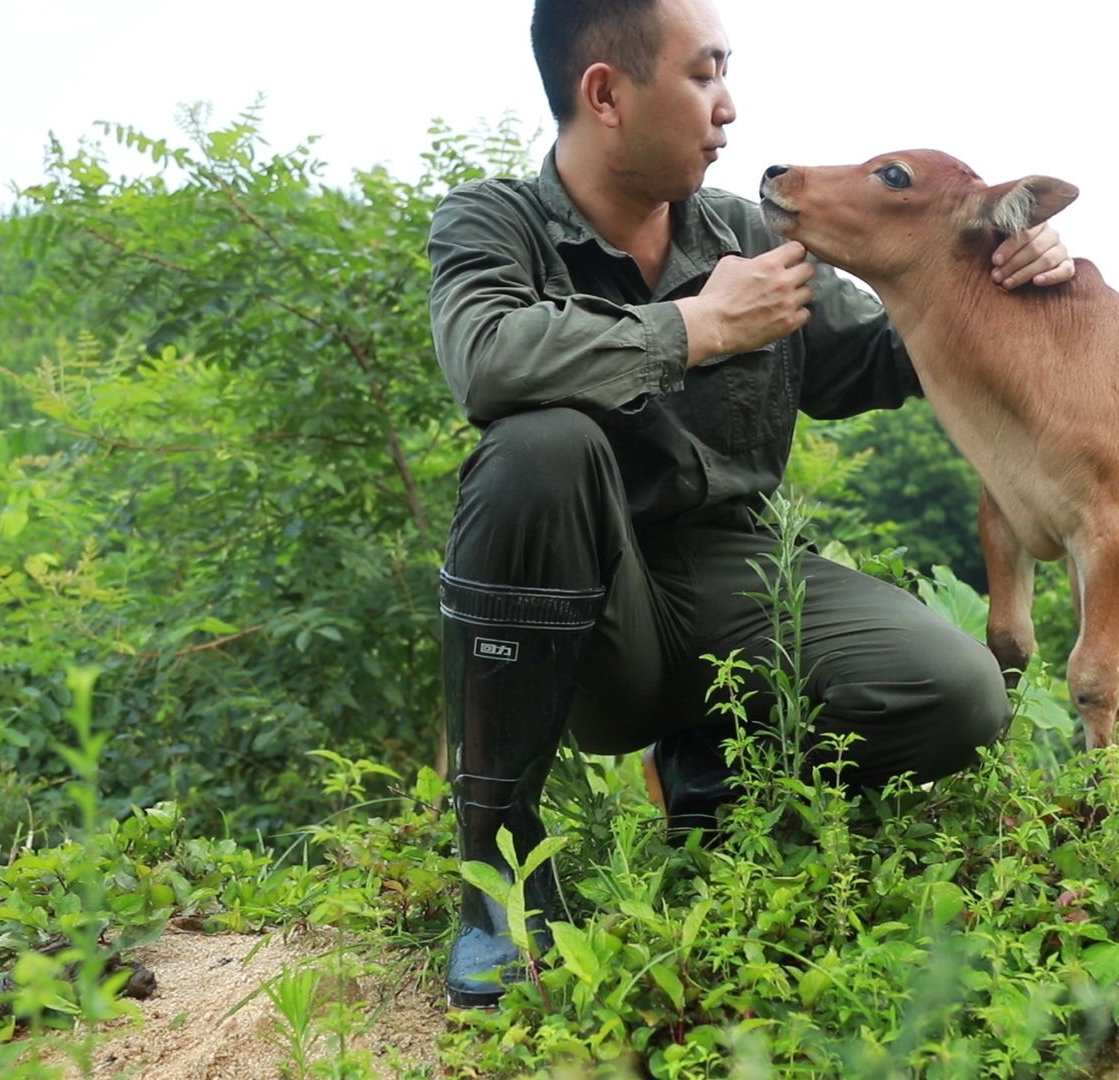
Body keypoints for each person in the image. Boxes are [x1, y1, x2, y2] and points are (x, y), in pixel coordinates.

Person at [427, 0, 1077, 1009]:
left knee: (958, 694)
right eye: (703, 75)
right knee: (536, 447)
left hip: (743, 578)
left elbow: (868, 358)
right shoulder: (493, 223)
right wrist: (692, 326)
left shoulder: (740, 228)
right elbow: (487, 362)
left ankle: (718, 797)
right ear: (606, 93)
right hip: (587, 613)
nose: (729, 108)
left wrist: (992, 278)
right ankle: (498, 878)